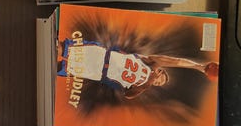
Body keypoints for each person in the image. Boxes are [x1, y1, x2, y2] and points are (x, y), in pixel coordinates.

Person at [58, 32, 218, 99]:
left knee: (59, 67)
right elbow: (176, 61)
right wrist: (200, 67)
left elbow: (128, 95)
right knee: (62, 48)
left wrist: (149, 82)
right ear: (160, 70)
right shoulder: (149, 62)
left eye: (159, 84)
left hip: (97, 72)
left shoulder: (141, 87)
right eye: (160, 78)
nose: (158, 82)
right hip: (102, 55)